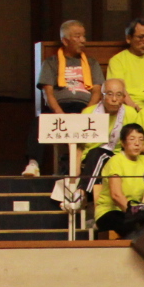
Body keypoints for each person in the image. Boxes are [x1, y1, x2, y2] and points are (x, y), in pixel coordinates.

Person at [30, 19, 103, 176]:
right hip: (60, 108)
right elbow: (47, 92)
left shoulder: (91, 63)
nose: (83, 40)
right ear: (65, 40)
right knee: (39, 122)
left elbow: (97, 91)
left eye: (83, 36)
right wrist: (60, 114)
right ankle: (33, 164)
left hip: (86, 108)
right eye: (78, 36)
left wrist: (88, 112)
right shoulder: (51, 62)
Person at [93, 122, 144, 237]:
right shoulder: (116, 161)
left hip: (134, 211)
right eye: (132, 139)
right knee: (133, 226)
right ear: (123, 142)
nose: (137, 143)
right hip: (110, 212)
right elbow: (116, 196)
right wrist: (134, 215)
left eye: (141, 140)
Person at [107, 18, 144, 108]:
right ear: (129, 38)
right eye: (141, 37)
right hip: (129, 106)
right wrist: (134, 107)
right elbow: (118, 90)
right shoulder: (117, 61)